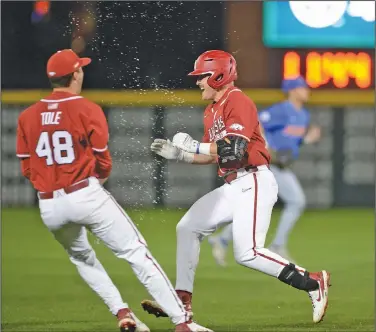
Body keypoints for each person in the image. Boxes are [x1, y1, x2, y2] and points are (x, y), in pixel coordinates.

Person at [16, 49, 212, 332]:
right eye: (80, 69)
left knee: (82, 258)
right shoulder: (86, 108)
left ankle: (122, 313)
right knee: (136, 252)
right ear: (76, 74)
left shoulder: (27, 116)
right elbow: (103, 161)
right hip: (84, 193)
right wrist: (97, 181)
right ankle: (182, 323)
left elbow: (26, 168)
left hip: (49, 204)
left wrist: (50, 186)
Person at [141, 50, 330, 324]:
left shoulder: (236, 99)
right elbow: (213, 154)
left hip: (253, 179)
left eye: (202, 76)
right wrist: (180, 155)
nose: (198, 82)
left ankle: (312, 282)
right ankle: (181, 302)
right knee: (188, 227)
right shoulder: (212, 110)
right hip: (234, 183)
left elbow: (236, 149)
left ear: (219, 74)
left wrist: (192, 145)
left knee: (247, 253)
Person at [208, 76, 321, 266]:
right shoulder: (280, 110)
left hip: (282, 167)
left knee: (263, 209)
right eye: (303, 88)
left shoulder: (304, 115)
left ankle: (223, 239)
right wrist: (268, 147)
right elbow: (255, 123)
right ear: (292, 90)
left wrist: (307, 140)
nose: (307, 91)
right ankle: (276, 245)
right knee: (295, 202)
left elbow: (291, 142)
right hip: (267, 165)